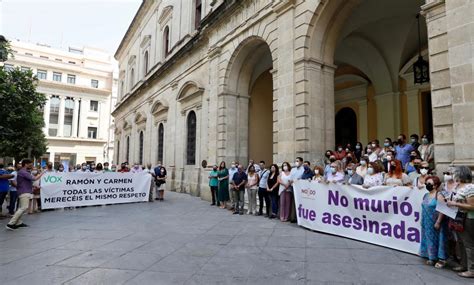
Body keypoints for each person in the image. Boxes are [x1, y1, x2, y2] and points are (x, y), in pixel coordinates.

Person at [447, 166, 474, 278]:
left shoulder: (470, 188)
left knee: (469, 244)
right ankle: (464, 264)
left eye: (455, 173)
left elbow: (472, 206)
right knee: (461, 242)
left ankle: (472, 269)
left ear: (461, 174)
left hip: (468, 218)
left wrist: (455, 204)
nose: (453, 175)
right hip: (458, 218)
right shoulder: (458, 186)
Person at [419, 176, 448, 268]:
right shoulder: (426, 195)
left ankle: (442, 260)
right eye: (426, 183)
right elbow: (423, 208)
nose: (427, 185)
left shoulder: (439, 195)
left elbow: (442, 209)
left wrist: (438, 222)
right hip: (427, 222)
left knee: (439, 239)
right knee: (429, 238)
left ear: (435, 185)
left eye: (429, 183)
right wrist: (421, 220)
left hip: (436, 221)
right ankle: (432, 257)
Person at [6, 159, 43, 230]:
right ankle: (10, 224)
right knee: (24, 208)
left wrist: (33, 186)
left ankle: (18, 222)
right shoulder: (23, 172)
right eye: (31, 164)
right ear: (26, 164)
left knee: (21, 207)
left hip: (24, 191)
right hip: (24, 192)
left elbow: (26, 182)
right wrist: (42, 173)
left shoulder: (24, 172)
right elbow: (34, 178)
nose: (32, 166)